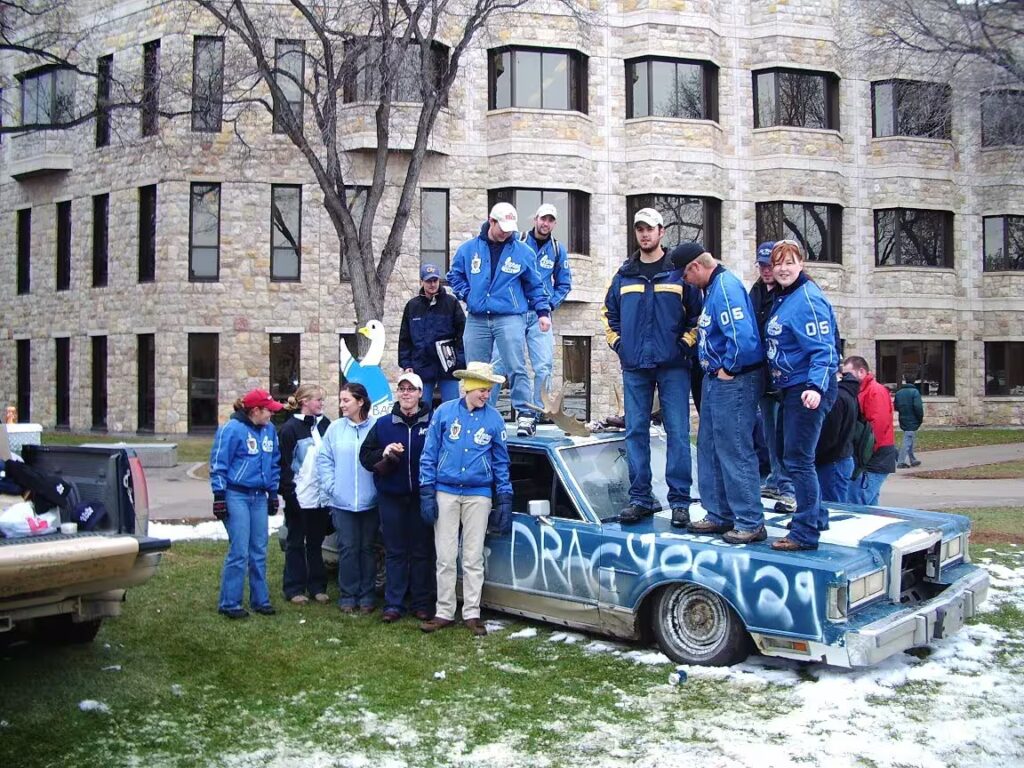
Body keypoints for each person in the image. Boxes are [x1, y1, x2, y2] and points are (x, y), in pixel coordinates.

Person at [602, 209, 702, 527]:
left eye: (650, 229)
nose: (645, 234)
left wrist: (684, 345)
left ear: (661, 232)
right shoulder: (623, 275)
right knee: (635, 432)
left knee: (678, 433)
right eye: (640, 229)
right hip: (635, 366)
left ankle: (680, 502)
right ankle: (640, 499)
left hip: (674, 367)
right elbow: (608, 315)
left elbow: (698, 317)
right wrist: (621, 345)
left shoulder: (678, 274)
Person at [677, 244, 765, 543]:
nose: (686, 282)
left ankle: (750, 520)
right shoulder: (712, 288)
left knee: (734, 448)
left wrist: (730, 367)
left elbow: (742, 337)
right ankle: (718, 513)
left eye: (685, 276)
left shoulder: (725, 287)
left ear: (695, 267)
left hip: (733, 380)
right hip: (715, 379)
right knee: (710, 446)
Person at [418, 362, 512, 637]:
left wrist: (504, 496)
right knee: (445, 556)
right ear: (469, 387)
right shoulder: (444, 412)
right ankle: (444, 611)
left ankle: (472, 613)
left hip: (478, 494)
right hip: (446, 491)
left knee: (472, 557)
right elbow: (429, 453)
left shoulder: (494, 419)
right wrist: (427, 490)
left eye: (488, 390)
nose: (486, 394)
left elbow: (501, 462)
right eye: (482, 389)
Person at [447, 202, 552, 437]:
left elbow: (535, 285)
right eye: (502, 228)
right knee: (476, 368)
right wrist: (467, 294)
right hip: (477, 317)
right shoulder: (468, 249)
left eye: (509, 229)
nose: (506, 233)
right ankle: (473, 412)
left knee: (515, 365)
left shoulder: (523, 252)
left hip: (510, 316)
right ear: (491, 222)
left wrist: (543, 312)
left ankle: (525, 413)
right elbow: (454, 275)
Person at [762, 241, 840, 551]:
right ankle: (816, 515)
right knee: (789, 454)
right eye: (778, 263)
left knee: (799, 459)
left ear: (801, 263)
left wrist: (815, 387)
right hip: (791, 388)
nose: (783, 269)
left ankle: (805, 532)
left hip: (807, 389)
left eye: (789, 262)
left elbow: (824, 350)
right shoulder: (786, 296)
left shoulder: (807, 299)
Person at [359, 372, 435, 623]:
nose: (406, 393)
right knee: (395, 551)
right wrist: (384, 451)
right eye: (402, 389)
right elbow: (365, 457)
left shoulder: (433, 421)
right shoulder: (383, 424)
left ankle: (421, 603)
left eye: (411, 389)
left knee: (422, 551)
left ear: (420, 393)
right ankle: (394, 604)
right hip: (391, 496)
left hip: (422, 496)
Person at [489, 203, 573, 411]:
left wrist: (549, 304)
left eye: (550, 220)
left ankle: (538, 412)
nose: (546, 223)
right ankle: (486, 409)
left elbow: (564, 284)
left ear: (554, 224)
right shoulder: (517, 241)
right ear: (535, 219)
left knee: (544, 365)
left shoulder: (557, 250)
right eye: (543, 218)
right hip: (513, 313)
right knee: (498, 363)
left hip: (540, 316)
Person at [209, 388, 282, 619]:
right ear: (255, 410)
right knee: (239, 550)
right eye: (268, 410)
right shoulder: (231, 429)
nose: (271, 414)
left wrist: (273, 493)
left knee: (259, 549)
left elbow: (274, 463)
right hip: (236, 495)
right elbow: (219, 463)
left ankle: (260, 599)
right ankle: (230, 602)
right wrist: (219, 496)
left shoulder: (270, 430)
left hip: (259, 496)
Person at [317, 382, 378, 614]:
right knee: (348, 549)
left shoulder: (377, 427)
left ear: (360, 401)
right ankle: (348, 596)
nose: (341, 405)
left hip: (370, 502)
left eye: (346, 400)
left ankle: (367, 596)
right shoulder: (335, 429)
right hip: (342, 503)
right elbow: (324, 459)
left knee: (368, 549)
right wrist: (332, 487)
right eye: (341, 400)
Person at [749, 240, 796, 514]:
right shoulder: (755, 292)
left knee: (785, 435)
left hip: (786, 379)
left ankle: (789, 488)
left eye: (770, 265)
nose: (766, 270)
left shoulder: (789, 293)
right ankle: (776, 479)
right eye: (762, 265)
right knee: (769, 433)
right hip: (763, 378)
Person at [278, 383, 331, 605]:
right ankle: (294, 587)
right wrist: (289, 495)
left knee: (316, 543)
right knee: (296, 543)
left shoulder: (325, 424)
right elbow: (283, 465)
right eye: (318, 399)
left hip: (321, 497)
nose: (321, 403)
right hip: (299, 496)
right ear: (305, 402)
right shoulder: (290, 428)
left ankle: (317, 586)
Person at [398, 263, 466, 406]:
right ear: (421, 282)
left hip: (449, 366)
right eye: (429, 281)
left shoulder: (451, 303)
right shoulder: (412, 306)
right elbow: (405, 339)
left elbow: (463, 335)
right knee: (421, 409)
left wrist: (460, 362)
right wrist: (406, 364)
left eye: (435, 280)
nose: (432, 284)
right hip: (421, 366)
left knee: (451, 408)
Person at [842, 356, 897, 505]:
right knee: (868, 504)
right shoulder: (863, 390)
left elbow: (878, 424)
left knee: (856, 502)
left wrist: (865, 452)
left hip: (874, 455)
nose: (845, 378)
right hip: (871, 454)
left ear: (861, 371)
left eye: (848, 374)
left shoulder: (874, 391)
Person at [816, 370, 860, 506]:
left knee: (834, 507)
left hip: (832, 460)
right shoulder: (848, 393)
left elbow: (829, 435)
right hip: (842, 456)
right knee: (837, 503)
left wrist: (814, 455)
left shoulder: (836, 397)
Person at [894, 375, 924, 468]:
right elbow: (918, 407)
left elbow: (896, 406)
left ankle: (912, 459)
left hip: (903, 418)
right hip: (913, 419)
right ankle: (900, 461)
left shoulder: (899, 393)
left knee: (910, 437)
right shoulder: (915, 392)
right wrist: (920, 418)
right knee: (907, 440)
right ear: (914, 381)